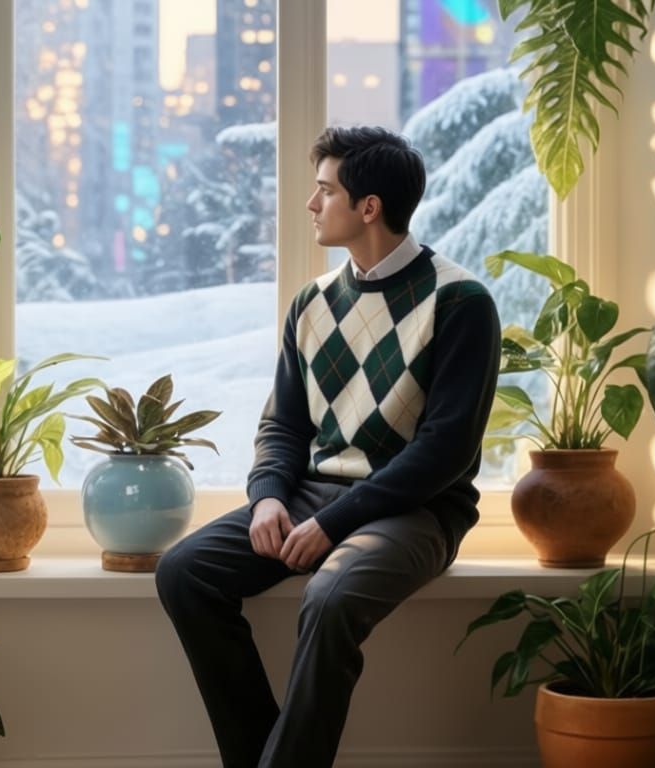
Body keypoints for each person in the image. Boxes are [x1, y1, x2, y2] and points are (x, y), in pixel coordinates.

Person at [155, 125, 501, 768]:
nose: (311, 205)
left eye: (324, 191)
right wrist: (266, 501)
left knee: (332, 596)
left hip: (420, 509)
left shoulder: (460, 302)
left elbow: (443, 453)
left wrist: (333, 522)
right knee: (184, 572)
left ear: (368, 206)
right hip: (316, 494)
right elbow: (283, 427)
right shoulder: (311, 303)